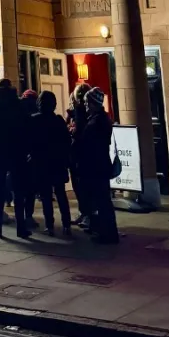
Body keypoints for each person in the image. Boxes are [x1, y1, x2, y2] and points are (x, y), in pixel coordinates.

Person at [0, 78, 29, 239]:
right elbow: (24, 127)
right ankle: (21, 227)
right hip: (16, 150)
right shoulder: (17, 104)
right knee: (18, 191)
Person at [76, 87, 119, 244]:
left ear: (94, 103)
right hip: (101, 165)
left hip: (96, 166)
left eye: (87, 102)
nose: (86, 105)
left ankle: (106, 233)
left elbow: (89, 145)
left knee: (101, 200)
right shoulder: (101, 119)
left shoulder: (95, 122)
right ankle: (106, 231)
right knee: (103, 200)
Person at [29, 91, 72, 236]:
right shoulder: (59, 121)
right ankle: (67, 224)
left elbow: (30, 143)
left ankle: (50, 225)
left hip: (41, 163)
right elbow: (66, 142)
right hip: (57, 162)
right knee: (61, 194)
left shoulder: (34, 120)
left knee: (46, 196)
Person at [67, 82, 91, 226]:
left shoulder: (81, 113)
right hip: (77, 154)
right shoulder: (77, 112)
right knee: (80, 185)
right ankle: (84, 212)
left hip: (80, 154)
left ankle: (87, 213)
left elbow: (77, 132)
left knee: (82, 186)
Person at [17, 89, 39, 230]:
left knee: (20, 189)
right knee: (30, 189)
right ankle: (28, 216)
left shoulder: (18, 112)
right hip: (31, 155)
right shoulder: (35, 115)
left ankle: (21, 218)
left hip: (19, 154)